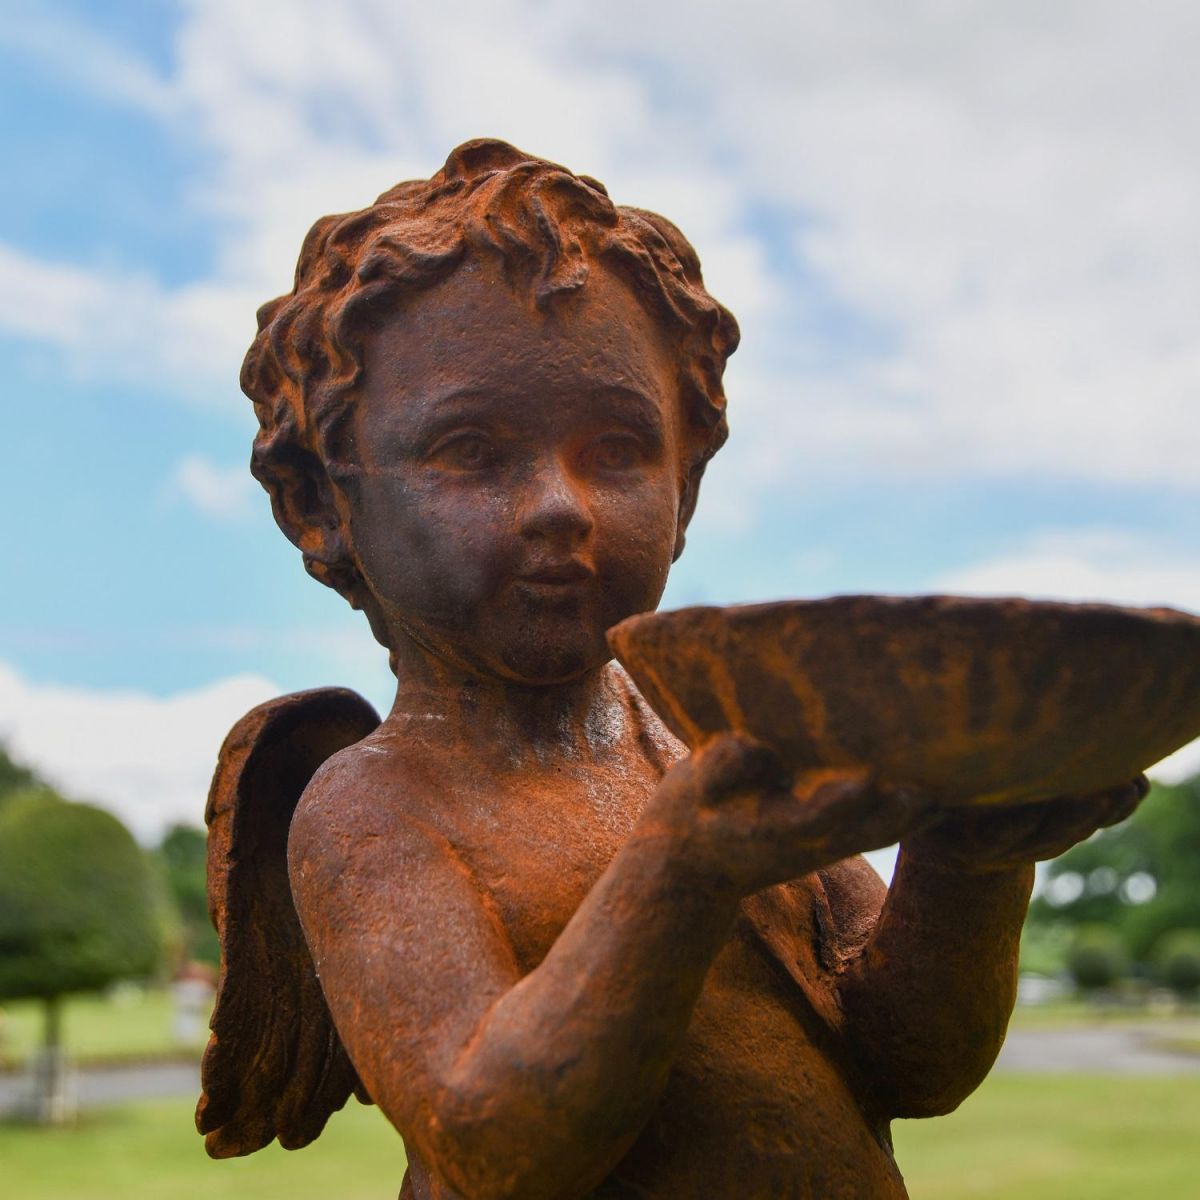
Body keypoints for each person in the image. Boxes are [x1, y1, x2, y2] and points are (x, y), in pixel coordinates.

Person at [197, 139, 1145, 1199]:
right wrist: (682, 873)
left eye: (618, 450)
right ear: (320, 504)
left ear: (686, 490)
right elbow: (495, 1144)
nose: (561, 502)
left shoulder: (720, 723)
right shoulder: (374, 807)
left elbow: (907, 1061)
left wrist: (968, 862)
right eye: (471, 450)